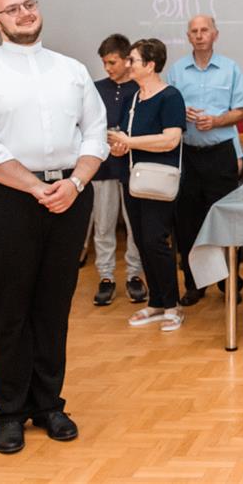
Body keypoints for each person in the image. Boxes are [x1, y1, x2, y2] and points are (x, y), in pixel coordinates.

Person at [0, 0, 108, 454]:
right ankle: (9, 412)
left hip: (68, 195)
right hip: (3, 199)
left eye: (29, 5)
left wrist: (75, 183)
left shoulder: (72, 70)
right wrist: (35, 187)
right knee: (10, 309)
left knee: (53, 307)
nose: (24, 13)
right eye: (12, 9)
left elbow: (96, 132)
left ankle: (48, 405)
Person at [168, 14, 243, 306]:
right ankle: (194, 284)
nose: (199, 35)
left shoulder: (230, 69)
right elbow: (165, 110)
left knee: (226, 220)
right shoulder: (176, 71)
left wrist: (216, 121)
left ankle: (229, 281)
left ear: (215, 34)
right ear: (188, 37)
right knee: (187, 223)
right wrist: (181, 114)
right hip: (188, 155)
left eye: (205, 30)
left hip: (220, 154)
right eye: (194, 31)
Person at [106, 39, 186, 332]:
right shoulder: (132, 99)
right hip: (133, 179)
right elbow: (126, 139)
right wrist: (119, 146)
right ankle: (156, 302)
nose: (128, 65)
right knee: (140, 241)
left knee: (155, 241)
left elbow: (170, 139)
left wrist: (130, 142)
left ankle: (172, 305)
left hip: (159, 180)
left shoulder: (171, 97)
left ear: (150, 65)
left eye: (133, 60)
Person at [89, 34, 146, 306]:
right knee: (103, 224)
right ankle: (106, 276)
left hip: (134, 166)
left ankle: (135, 274)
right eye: (104, 63)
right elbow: (86, 124)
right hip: (102, 167)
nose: (107, 68)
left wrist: (126, 142)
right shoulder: (95, 89)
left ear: (127, 60)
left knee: (135, 224)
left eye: (112, 62)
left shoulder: (140, 89)